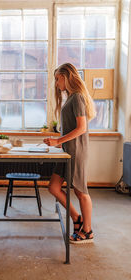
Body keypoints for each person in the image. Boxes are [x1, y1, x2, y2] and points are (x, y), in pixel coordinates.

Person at [43, 63, 96, 244]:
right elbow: (73, 128)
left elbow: (82, 128)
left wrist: (59, 141)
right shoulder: (71, 98)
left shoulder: (77, 98)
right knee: (54, 188)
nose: (56, 83)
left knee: (81, 192)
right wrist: (58, 142)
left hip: (76, 153)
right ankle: (76, 218)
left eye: (58, 79)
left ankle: (87, 231)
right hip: (66, 152)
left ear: (66, 77)